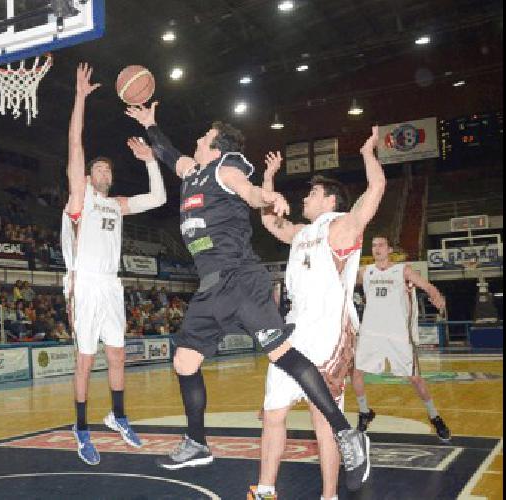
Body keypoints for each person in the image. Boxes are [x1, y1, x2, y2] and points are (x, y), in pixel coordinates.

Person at [124, 100, 370, 489]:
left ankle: (344, 432)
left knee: (283, 356)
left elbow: (248, 191)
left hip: (239, 277)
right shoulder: (193, 171)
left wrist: (267, 198)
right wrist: (152, 125)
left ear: (216, 147)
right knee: (185, 362)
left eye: (203, 138)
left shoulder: (226, 166)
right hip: (208, 287)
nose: (197, 141)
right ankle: (197, 442)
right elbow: (170, 155)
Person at [250, 129, 384, 500]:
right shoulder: (301, 233)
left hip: (327, 333)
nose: (304, 198)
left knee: (323, 421)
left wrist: (367, 153)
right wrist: (268, 181)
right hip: (293, 331)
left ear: (329, 200)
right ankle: (264, 490)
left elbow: (375, 191)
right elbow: (268, 222)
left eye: (311, 193)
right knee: (273, 413)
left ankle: (329, 495)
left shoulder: (341, 227)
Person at [60, 62, 168, 464]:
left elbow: (158, 198)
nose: (103, 170)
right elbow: (75, 145)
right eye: (97, 168)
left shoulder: (117, 205)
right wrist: (80, 98)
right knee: (86, 360)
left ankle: (118, 415)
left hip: (111, 283)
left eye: (107, 168)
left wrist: (150, 159)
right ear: (87, 177)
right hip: (84, 282)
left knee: (118, 354)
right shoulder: (80, 199)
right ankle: (81, 426)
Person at [352, 235, 451, 441]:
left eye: (381, 245)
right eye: (374, 245)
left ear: (389, 250)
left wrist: (436, 295)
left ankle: (434, 416)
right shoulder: (365, 272)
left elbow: (426, 285)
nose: (377, 248)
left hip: (398, 334)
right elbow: (341, 282)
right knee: (356, 372)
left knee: (415, 378)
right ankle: (364, 412)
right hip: (371, 332)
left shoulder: (402, 270)